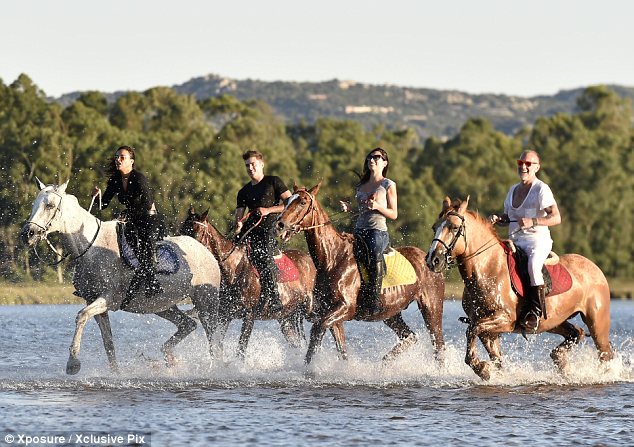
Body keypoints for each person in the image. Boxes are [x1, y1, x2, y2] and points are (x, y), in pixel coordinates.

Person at [489, 150, 561, 331]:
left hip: (537, 241)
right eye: (521, 162)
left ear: (537, 167)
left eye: (529, 164)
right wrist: (500, 218)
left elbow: (556, 218)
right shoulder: (513, 189)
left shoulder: (541, 189)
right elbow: (509, 216)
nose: (524, 166)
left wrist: (534, 221)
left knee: (533, 267)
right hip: (515, 241)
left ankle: (535, 312)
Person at [93, 146, 164, 306]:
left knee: (146, 246)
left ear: (131, 161)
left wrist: (129, 213)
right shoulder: (115, 180)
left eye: (122, 157)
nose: (118, 159)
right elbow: (103, 204)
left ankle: (153, 284)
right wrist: (97, 197)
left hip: (149, 220)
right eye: (116, 156)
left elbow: (147, 203)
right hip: (132, 221)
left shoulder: (139, 178)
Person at [342, 147, 398, 317]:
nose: (371, 160)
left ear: (385, 162)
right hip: (359, 230)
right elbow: (360, 211)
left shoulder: (388, 184)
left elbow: (394, 214)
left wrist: (378, 207)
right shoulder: (361, 185)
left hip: (377, 232)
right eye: (369, 158)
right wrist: (349, 208)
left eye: (376, 157)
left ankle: (374, 300)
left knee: (373, 254)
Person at [235, 150, 291, 314]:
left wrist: (268, 210)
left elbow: (290, 204)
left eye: (253, 164)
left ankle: (273, 298)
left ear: (261, 164)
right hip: (249, 230)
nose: (250, 168)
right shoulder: (243, 191)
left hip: (269, 228)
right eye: (247, 165)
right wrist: (238, 224)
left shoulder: (274, 182)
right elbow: (239, 214)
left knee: (260, 253)